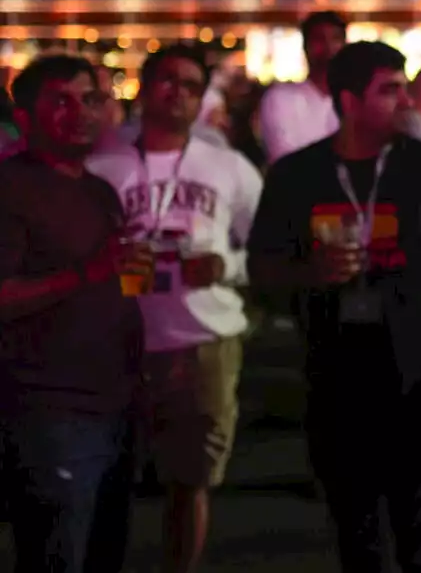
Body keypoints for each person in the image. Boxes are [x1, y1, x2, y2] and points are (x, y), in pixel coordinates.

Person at [247, 41, 421, 573]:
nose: (404, 102)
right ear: (349, 100)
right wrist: (311, 272)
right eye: (389, 91)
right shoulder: (297, 176)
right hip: (335, 375)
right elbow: (260, 267)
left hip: (419, 373)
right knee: (357, 535)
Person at [86, 45, 263, 573]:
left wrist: (227, 264)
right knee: (108, 477)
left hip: (202, 339)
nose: (178, 93)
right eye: (167, 81)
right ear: (142, 87)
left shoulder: (228, 166)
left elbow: (276, 248)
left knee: (189, 481)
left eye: (191, 85)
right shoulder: (104, 167)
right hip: (118, 339)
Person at [0, 55, 149, 573]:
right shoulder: (12, 188)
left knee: (106, 555)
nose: (80, 112)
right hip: (49, 414)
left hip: (115, 404)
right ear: (24, 118)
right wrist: (88, 273)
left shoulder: (99, 190)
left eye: (90, 99)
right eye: (61, 101)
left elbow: (118, 281)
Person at [258, 10, 347, 164]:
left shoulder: (355, 100)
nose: (329, 46)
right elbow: (284, 160)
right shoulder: (280, 99)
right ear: (305, 46)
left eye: (335, 38)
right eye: (319, 39)